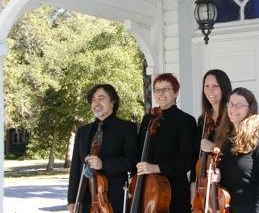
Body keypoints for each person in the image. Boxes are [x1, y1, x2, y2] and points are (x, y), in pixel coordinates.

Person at [67, 84, 139, 213]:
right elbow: (76, 167)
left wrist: (103, 164)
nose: (96, 103)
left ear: (113, 102)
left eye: (101, 98)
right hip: (85, 200)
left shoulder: (127, 128)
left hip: (113, 199)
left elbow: (132, 161)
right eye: (93, 99)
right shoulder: (82, 131)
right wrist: (72, 200)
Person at [135, 73, 197, 212]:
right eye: (157, 90)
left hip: (174, 191)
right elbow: (138, 152)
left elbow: (187, 161)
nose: (160, 93)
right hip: (146, 189)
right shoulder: (148, 119)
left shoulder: (186, 121)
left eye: (166, 89)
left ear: (176, 93)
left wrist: (155, 168)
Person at [215, 87, 259, 213]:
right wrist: (218, 176)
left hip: (252, 208)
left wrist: (258, 211)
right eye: (231, 104)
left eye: (239, 105)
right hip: (229, 208)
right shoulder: (226, 138)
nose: (233, 108)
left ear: (250, 109)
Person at [190, 69, 232, 204]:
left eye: (215, 86)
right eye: (206, 86)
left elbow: (237, 151)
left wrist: (214, 147)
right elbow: (197, 155)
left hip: (226, 181)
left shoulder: (232, 117)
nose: (210, 90)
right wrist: (193, 183)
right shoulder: (203, 120)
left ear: (224, 88)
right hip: (203, 184)